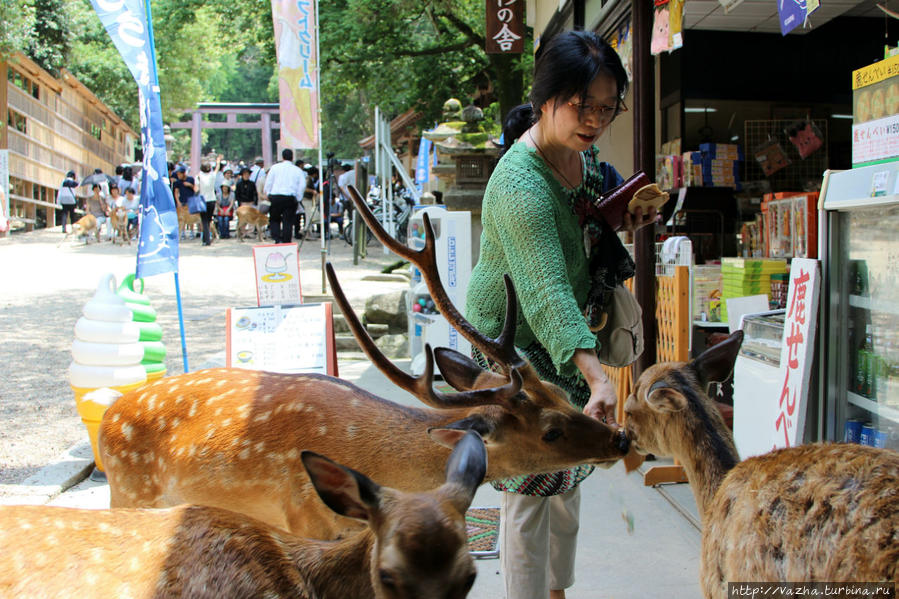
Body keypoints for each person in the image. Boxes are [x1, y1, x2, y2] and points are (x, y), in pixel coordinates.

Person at [463, 31, 656, 599]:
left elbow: (585, 224)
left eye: (607, 106)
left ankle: (556, 590)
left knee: (570, 472)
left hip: (565, 337)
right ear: (546, 97)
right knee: (531, 483)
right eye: (583, 105)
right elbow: (545, 290)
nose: (596, 119)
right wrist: (598, 377)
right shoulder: (520, 184)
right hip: (511, 346)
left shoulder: (581, 159)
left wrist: (624, 218)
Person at [263, 149, 307, 243]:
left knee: (274, 219)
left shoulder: (275, 168)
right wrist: (298, 198)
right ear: (292, 157)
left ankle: (277, 238)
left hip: (275, 196)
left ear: (282, 157)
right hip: (290, 198)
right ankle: (286, 240)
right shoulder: (297, 170)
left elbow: (269, 182)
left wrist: (267, 193)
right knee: (288, 221)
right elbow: (302, 185)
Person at [197, 157, 222, 246]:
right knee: (208, 219)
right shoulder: (212, 175)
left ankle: (206, 239)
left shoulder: (199, 176)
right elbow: (217, 169)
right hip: (212, 199)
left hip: (202, 199)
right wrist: (218, 162)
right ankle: (206, 238)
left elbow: (196, 188)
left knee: (204, 220)